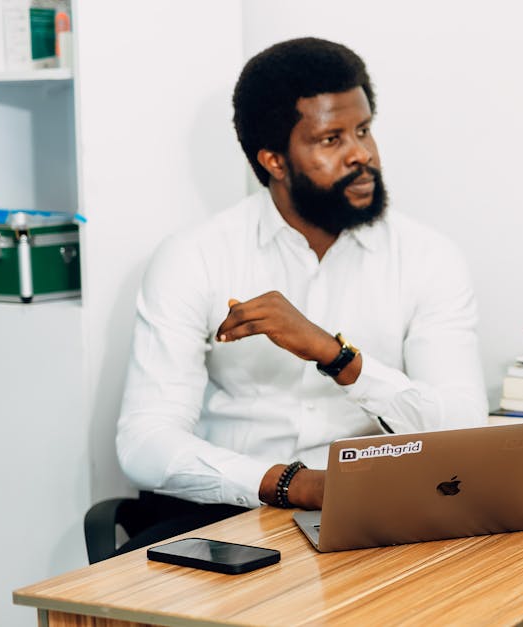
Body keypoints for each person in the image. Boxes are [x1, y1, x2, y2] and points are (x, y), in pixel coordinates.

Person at [114, 37, 487, 548]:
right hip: (229, 516)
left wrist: (339, 358)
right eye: (331, 139)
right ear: (274, 161)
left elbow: (464, 430)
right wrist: (291, 484)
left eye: (363, 130)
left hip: (379, 514)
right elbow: (144, 443)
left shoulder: (428, 257)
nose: (362, 154)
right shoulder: (194, 256)